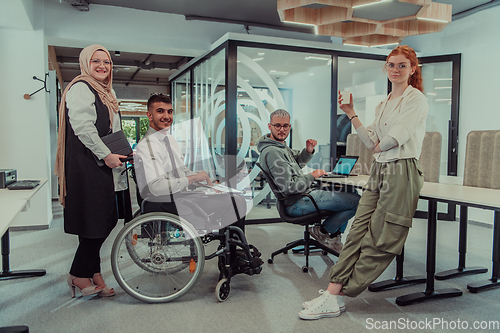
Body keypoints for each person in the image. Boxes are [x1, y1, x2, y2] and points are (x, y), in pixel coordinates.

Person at [298, 45, 428, 320]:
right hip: (380, 170)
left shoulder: (415, 99)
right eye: (391, 65)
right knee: (357, 231)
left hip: (402, 169)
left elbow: (394, 138)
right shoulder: (383, 104)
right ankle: (333, 292)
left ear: (412, 69)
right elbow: (371, 141)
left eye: (402, 65)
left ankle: (339, 294)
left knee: (383, 236)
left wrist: (378, 145)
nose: (395, 69)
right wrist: (350, 112)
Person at [55, 45, 128, 298]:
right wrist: (106, 155)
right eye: (96, 61)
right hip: (87, 164)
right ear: (85, 63)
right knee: (99, 221)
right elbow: (83, 128)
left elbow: (110, 129)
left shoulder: (106, 91)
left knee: (96, 222)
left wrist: (122, 150)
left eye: (106, 62)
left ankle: (94, 273)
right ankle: (77, 274)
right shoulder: (80, 88)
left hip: (99, 164)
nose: (102, 66)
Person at [134, 93, 247, 234]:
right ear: (149, 115)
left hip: (180, 197)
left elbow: (182, 171)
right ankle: (233, 250)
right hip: (167, 203)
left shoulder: (169, 139)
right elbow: (156, 187)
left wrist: (208, 181)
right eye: (160, 111)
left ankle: (231, 248)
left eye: (170, 112)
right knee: (235, 203)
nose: (166, 116)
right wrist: (193, 179)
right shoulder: (147, 145)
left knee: (236, 198)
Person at [257, 109, 360, 252]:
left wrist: (308, 151)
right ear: (270, 126)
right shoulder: (273, 152)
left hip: (304, 195)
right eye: (277, 126)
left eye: (285, 126)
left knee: (350, 190)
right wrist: (312, 175)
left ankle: (333, 237)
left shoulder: (280, 147)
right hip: (297, 202)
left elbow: (297, 161)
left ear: (290, 126)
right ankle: (323, 231)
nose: (282, 129)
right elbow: (289, 187)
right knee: (357, 201)